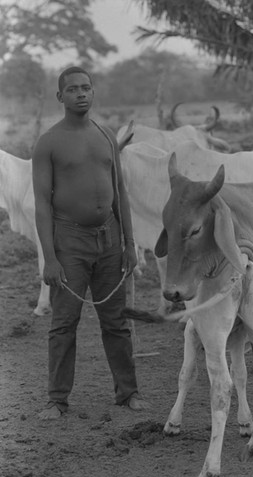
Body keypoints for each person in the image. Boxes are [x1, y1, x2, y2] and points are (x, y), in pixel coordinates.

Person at [32, 66, 149, 419]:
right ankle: (56, 400)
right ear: (60, 97)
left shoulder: (106, 135)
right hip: (69, 242)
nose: (81, 94)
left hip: (110, 239)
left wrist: (129, 244)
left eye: (86, 88)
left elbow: (120, 193)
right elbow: (42, 203)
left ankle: (128, 392)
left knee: (116, 322)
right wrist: (49, 259)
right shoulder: (48, 142)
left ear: (93, 92)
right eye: (73, 89)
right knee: (64, 323)